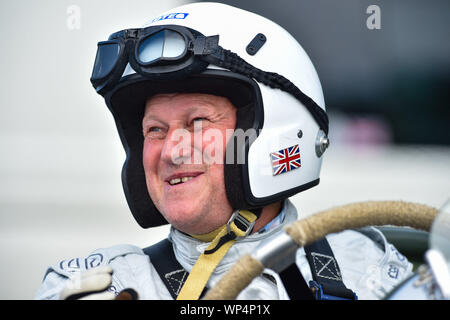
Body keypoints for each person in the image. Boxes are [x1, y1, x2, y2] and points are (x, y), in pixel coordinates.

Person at [35, 2, 412, 300]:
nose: (171, 151)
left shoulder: (371, 271)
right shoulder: (95, 286)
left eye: (198, 123)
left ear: (275, 132)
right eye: (155, 130)